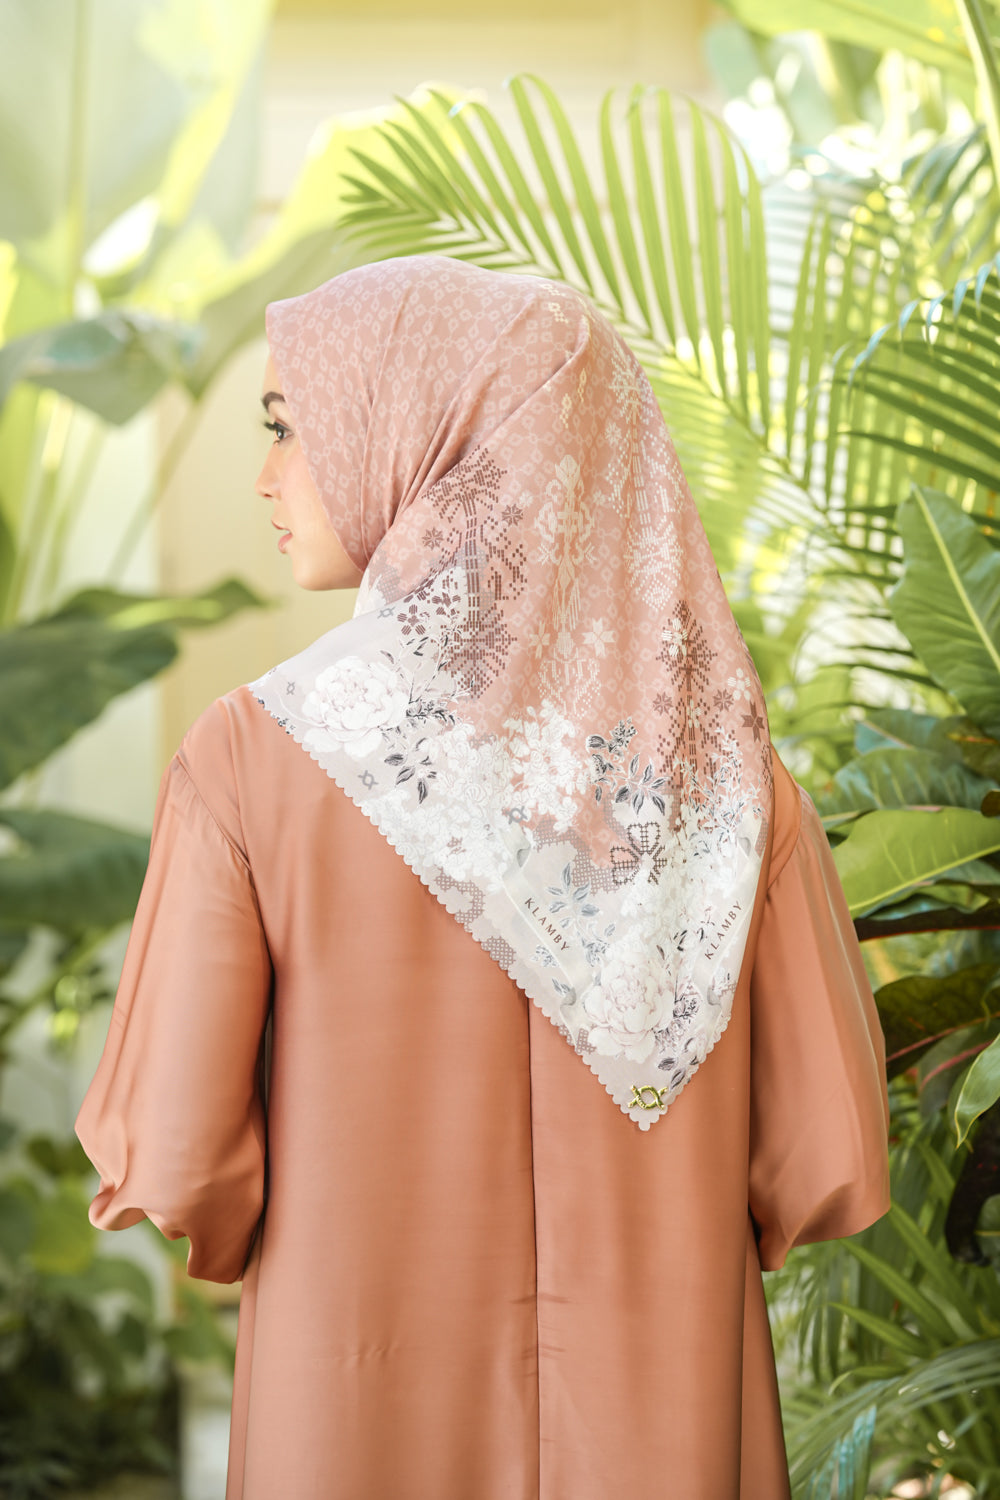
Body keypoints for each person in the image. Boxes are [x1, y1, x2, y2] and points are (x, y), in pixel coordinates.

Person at [75, 254, 891, 1499]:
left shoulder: (250, 760)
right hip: (660, 1428)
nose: (267, 476)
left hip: (356, 1424)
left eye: (289, 426)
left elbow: (181, 1157)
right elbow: (822, 1154)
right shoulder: (729, 781)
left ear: (432, 437)